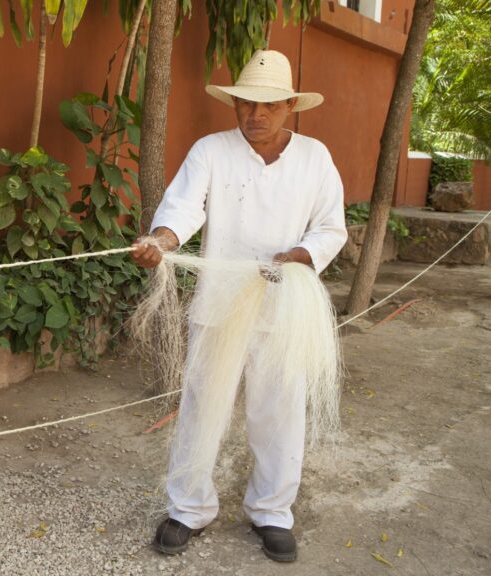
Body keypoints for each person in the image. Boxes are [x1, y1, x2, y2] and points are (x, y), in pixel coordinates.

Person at [131, 50, 347, 562]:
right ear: (235, 104)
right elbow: (182, 208)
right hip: (219, 308)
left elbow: (331, 228)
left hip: (284, 311)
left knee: (278, 414)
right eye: (247, 103)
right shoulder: (211, 151)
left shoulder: (316, 158)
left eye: (270, 105)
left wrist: (301, 255)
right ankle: (188, 508)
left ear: (291, 105)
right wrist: (160, 241)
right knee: (202, 407)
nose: (256, 115)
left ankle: (272, 512)